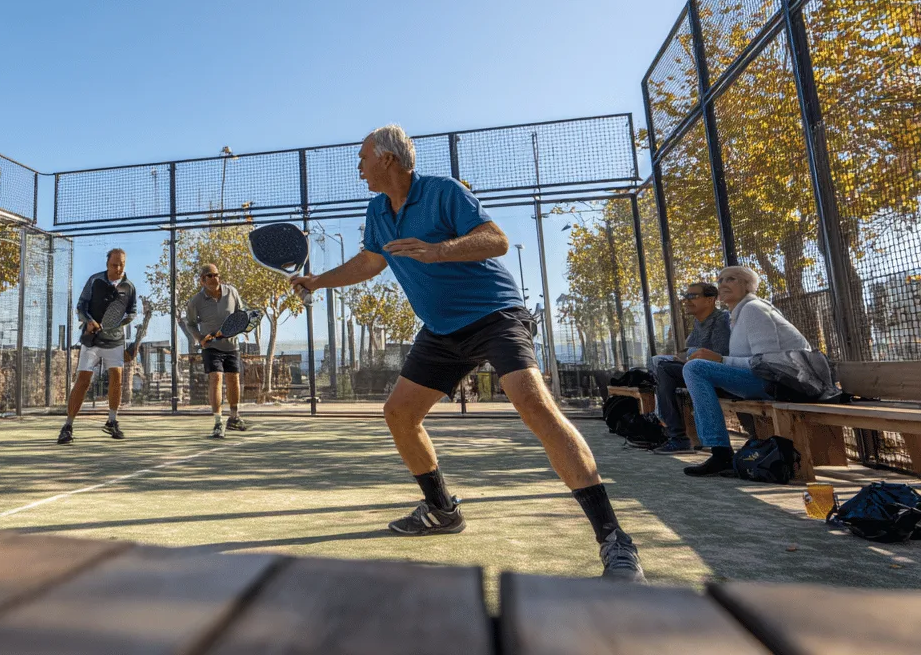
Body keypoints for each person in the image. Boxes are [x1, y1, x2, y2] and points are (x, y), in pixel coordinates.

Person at [290, 124, 644, 581]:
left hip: (495, 315)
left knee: (535, 406)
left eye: (363, 158)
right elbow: (372, 261)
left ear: (387, 159)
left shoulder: (443, 192)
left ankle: (616, 541)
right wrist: (317, 281)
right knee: (399, 413)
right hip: (441, 330)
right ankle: (441, 510)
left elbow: (495, 240)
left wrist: (438, 251)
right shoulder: (377, 209)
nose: (358, 168)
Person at [682, 266, 812, 477]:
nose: (723, 284)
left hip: (783, 383)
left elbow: (767, 363)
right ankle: (736, 446)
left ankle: (720, 453)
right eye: (721, 279)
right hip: (769, 380)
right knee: (694, 364)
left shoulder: (754, 309)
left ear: (747, 286)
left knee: (695, 368)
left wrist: (721, 360)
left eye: (731, 279)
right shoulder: (737, 315)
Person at [58, 249, 137, 444]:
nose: (118, 268)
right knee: (83, 380)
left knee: (116, 379)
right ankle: (68, 426)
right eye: (114, 265)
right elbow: (81, 306)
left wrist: (118, 322)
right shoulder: (94, 280)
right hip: (91, 341)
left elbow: (132, 312)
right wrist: (90, 321)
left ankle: (112, 421)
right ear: (107, 264)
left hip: (115, 341)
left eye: (121, 265)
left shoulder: (129, 287)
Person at [649, 282, 731, 455]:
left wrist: (689, 356)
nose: (686, 301)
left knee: (665, 369)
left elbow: (720, 354)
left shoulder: (721, 320)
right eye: (685, 297)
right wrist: (685, 356)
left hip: (723, 376)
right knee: (658, 363)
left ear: (710, 300)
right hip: (698, 373)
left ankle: (677, 437)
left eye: (692, 296)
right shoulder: (699, 322)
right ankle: (667, 428)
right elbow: (687, 351)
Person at [182, 263, 248, 439]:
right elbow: (189, 323)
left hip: (232, 346)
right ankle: (218, 422)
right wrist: (200, 338)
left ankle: (234, 417)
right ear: (202, 280)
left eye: (216, 275)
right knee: (216, 378)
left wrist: (238, 330)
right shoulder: (196, 301)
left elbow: (241, 315)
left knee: (233, 380)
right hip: (211, 347)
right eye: (210, 276)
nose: (214, 278)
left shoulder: (232, 292)